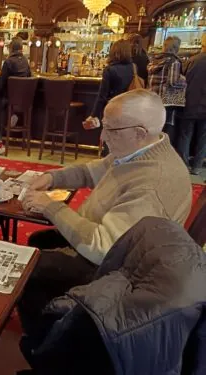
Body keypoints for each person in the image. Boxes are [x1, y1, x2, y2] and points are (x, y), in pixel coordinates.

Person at [18, 89, 192, 336]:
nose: (102, 136)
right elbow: (91, 172)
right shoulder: (140, 150)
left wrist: (50, 206)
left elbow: (103, 248)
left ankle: (47, 346)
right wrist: (51, 178)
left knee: (27, 269)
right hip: (106, 244)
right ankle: (52, 322)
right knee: (38, 242)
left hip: (118, 272)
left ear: (139, 133)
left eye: (111, 129)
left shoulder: (152, 183)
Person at [20, 217, 206, 375]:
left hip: (107, 332)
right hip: (131, 329)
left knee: (32, 273)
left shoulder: (154, 224)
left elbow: (106, 261)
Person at [83, 40, 134, 155]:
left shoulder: (110, 70)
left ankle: (108, 163)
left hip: (113, 107)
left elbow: (102, 96)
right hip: (129, 107)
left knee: (109, 138)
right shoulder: (133, 68)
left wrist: (93, 115)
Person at [0, 37, 31, 155]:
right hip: (23, 101)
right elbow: (30, 77)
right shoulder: (26, 61)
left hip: (7, 99)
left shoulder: (8, 62)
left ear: (11, 48)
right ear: (21, 48)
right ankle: (14, 113)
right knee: (6, 108)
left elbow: (0, 83)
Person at [148, 36, 187, 146]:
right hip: (165, 101)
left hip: (152, 99)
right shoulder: (173, 62)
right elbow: (173, 82)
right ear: (176, 48)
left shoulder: (154, 60)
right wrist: (183, 80)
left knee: (153, 127)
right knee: (165, 129)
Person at [177, 34, 206, 175]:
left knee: (185, 135)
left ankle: (183, 164)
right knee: (203, 137)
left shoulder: (192, 61)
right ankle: (197, 166)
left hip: (190, 102)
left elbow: (181, 79)